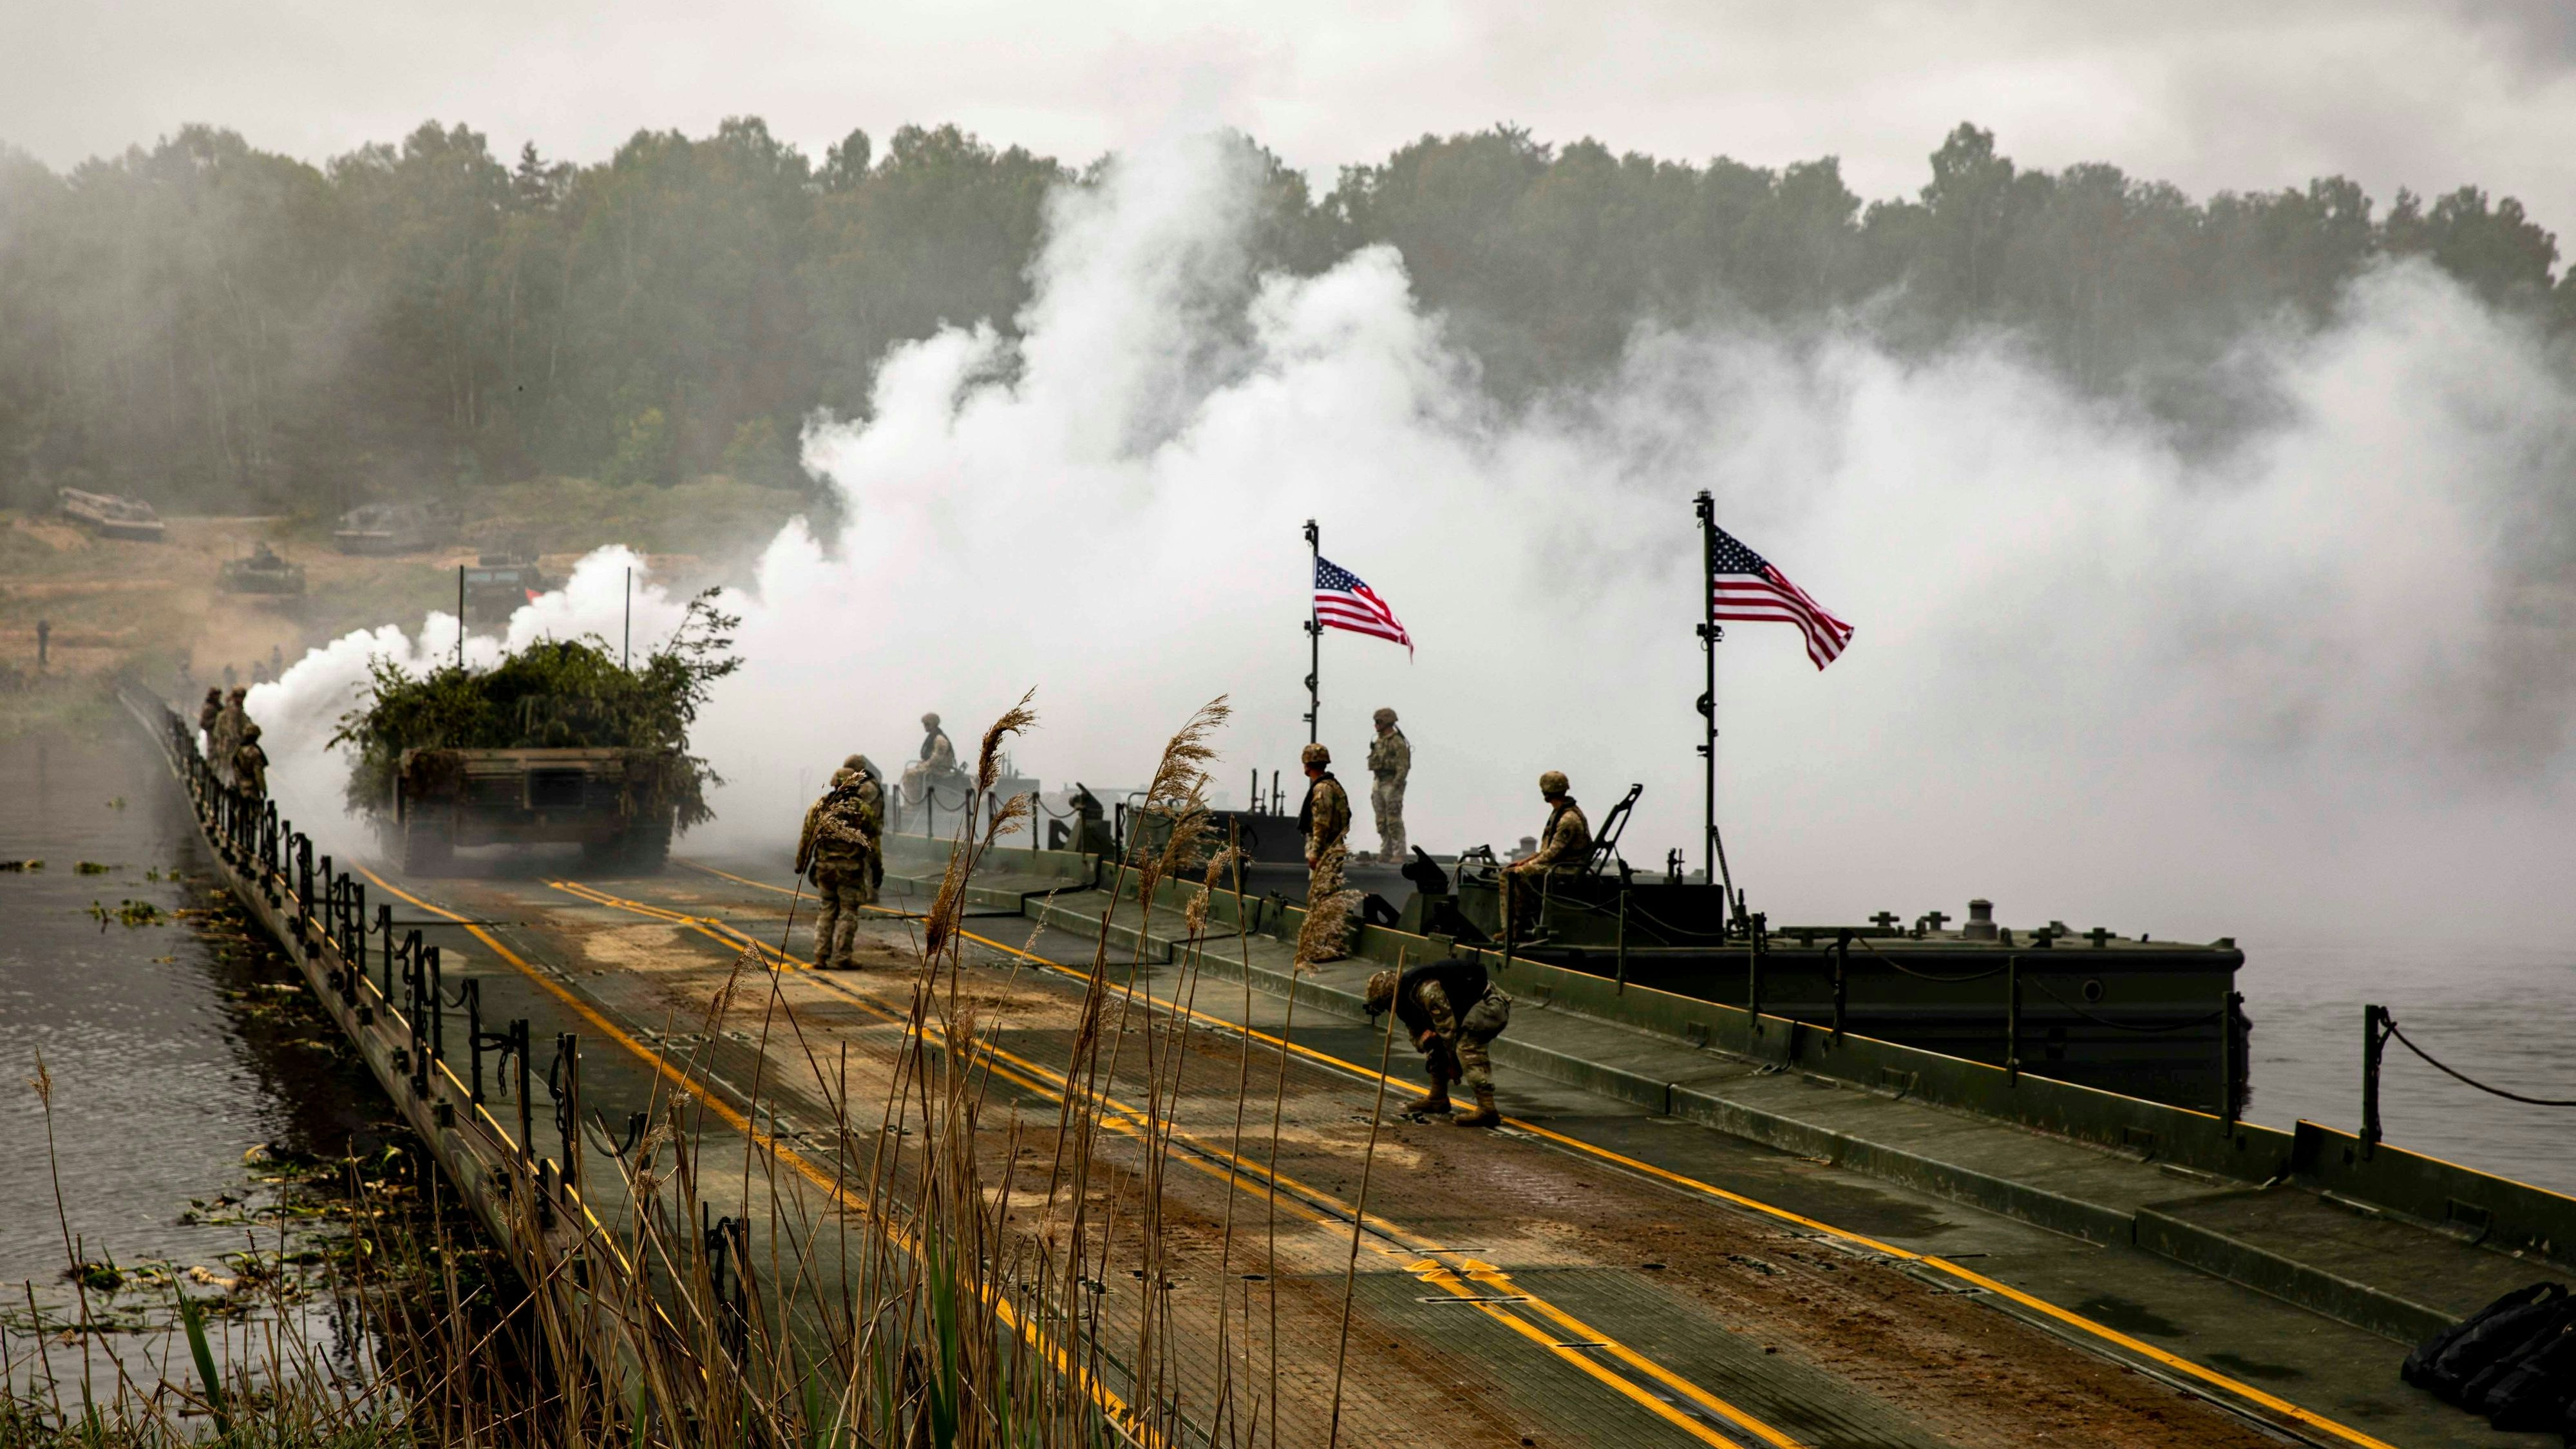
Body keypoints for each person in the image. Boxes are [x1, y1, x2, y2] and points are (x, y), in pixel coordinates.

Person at [1365, 956, 1512, 1128]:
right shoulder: (1403, 1005)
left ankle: (1487, 1109)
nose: (1389, 1010)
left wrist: (1453, 1064)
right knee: (1435, 1045)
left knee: (1467, 1047)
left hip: (1488, 1005)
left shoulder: (1427, 991)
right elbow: (1416, 1037)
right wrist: (1424, 1041)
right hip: (1460, 1015)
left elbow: (1448, 1029)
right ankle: (1438, 1098)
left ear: (1392, 996)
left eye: (1387, 1005)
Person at [796, 768, 876, 969]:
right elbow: (873, 843)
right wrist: (877, 869)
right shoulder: (862, 809)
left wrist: (801, 864)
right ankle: (842, 957)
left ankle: (821, 956)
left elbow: (807, 837)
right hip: (851, 870)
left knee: (827, 909)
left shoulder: (820, 806)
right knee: (848, 912)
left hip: (825, 869)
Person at [1500, 770, 1592, 939]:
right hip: (1560, 864)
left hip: (1566, 868)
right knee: (1515, 870)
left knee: (1510, 875)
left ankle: (1511, 932)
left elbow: (1552, 853)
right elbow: (1547, 850)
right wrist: (1526, 861)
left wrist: (1526, 866)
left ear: (1546, 793)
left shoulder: (1568, 819)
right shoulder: (1561, 812)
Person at [1296, 742, 1351, 961]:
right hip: (1333, 849)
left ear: (1307, 765)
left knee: (1324, 899)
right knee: (1327, 897)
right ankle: (1327, 945)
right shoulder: (1333, 786)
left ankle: (1331, 947)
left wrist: (1315, 853)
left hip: (1326, 851)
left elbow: (1321, 823)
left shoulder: (1321, 789)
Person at [1365, 707, 1410, 864]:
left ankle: (1399, 852)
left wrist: (1396, 785)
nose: (1376, 725)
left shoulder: (1397, 742)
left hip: (1391, 783)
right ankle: (1386, 850)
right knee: (1381, 820)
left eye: (1378, 722)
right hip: (1379, 782)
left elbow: (1403, 766)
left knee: (1393, 819)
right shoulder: (1378, 742)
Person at [842, 753, 887, 903]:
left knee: (869, 862)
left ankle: (871, 893)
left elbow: (855, 806)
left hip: (869, 830)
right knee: (865, 862)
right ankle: (867, 893)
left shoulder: (867, 787)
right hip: (866, 828)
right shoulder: (866, 782)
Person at [231, 723, 269, 800]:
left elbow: (234, 765)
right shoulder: (254, 752)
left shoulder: (238, 749)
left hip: (240, 784)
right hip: (251, 787)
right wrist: (263, 789)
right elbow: (258, 773)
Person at [198, 688, 223, 752]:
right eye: (216, 695)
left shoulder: (218, 706)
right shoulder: (208, 708)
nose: (218, 697)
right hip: (212, 735)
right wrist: (216, 720)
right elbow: (202, 723)